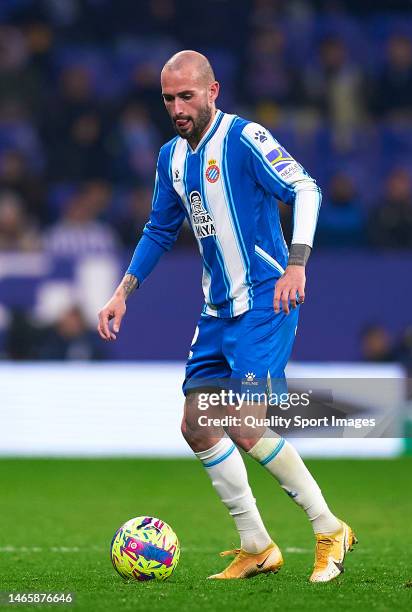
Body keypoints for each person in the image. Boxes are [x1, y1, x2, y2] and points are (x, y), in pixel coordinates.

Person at [97, 50, 356, 582]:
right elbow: (158, 229)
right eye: (168, 98)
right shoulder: (171, 156)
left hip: (266, 298)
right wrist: (123, 291)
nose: (177, 107)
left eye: (186, 96)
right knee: (198, 425)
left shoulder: (243, 138)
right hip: (217, 308)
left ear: (212, 91)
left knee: (241, 423)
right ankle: (257, 544)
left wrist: (297, 264)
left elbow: (305, 188)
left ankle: (329, 527)